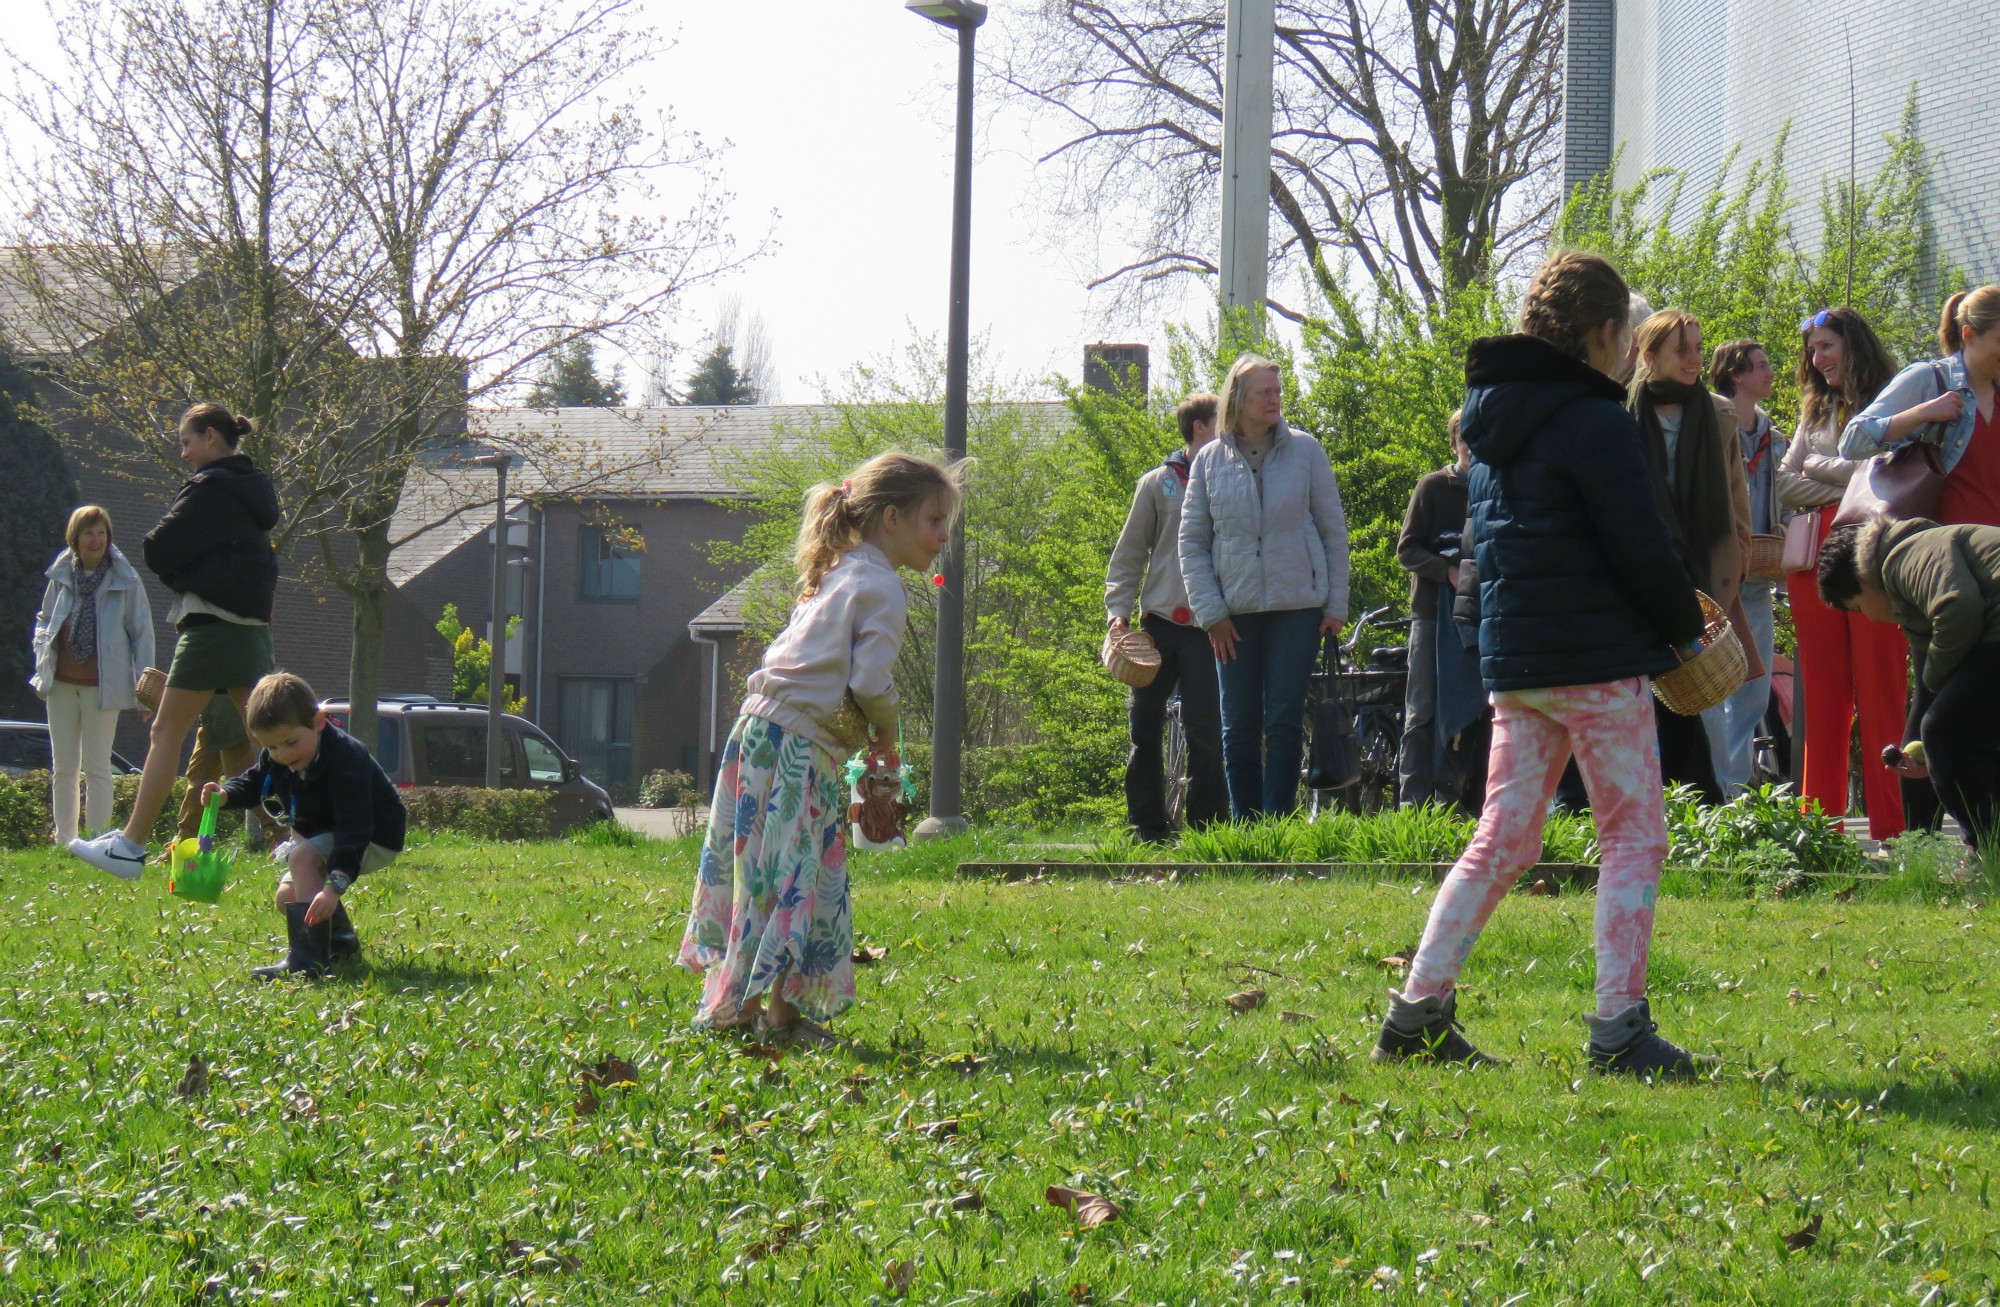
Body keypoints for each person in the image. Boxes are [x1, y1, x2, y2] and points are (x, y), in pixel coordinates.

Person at [1375, 250, 1713, 1078]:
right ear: (1600, 333)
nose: (1631, 351)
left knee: (1501, 839)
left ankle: (1416, 1014)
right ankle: (1619, 1030)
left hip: (1518, 662)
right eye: (1626, 336)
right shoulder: (1597, 421)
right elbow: (1641, 543)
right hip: (1597, 663)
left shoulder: (1489, 421)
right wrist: (1685, 629)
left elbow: (1489, 550)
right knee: (1634, 835)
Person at [679, 451, 962, 1044]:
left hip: (758, 738)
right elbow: (867, 683)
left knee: (773, 873)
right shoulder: (881, 585)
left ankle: (769, 1012)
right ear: (891, 517)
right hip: (795, 752)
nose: (943, 536)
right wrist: (887, 731)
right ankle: (749, 1015)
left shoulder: (838, 571)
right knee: (791, 876)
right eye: (934, 520)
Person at [69, 403, 279, 879]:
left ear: (209, 437)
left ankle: (130, 847)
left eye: (186, 442)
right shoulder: (255, 491)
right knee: (270, 735)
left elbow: (157, 547)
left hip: (209, 629)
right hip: (251, 630)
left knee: (166, 732)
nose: (184, 454)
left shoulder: (210, 489)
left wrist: (189, 577)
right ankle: (307, 834)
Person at [1842, 287, 2000, 830]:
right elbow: (1853, 439)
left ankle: (1951, 839)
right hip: (1941, 570)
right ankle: (1920, 841)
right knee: (1932, 707)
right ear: (1971, 334)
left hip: (1992, 571)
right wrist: (1923, 414)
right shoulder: (1931, 379)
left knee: (1957, 712)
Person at [1178, 355, 1349, 818]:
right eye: (1265, 391)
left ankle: (1277, 824)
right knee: (1237, 725)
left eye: (1277, 390)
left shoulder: (1307, 450)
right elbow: (1191, 543)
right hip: (1232, 616)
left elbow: (1333, 530)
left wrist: (1336, 604)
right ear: (1239, 397)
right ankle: (1246, 829)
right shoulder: (1210, 460)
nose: (1275, 399)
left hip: (1299, 609)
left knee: (1284, 721)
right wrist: (1211, 614)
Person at [1778, 308, 1907, 837]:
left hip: (1874, 553)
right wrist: (1848, 478)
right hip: (1813, 561)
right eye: (1813, 350)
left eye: (1826, 346)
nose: (1818, 359)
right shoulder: (1814, 411)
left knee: (1883, 685)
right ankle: (1818, 825)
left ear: (1853, 345)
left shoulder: (1892, 397)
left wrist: (1824, 470)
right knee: (1825, 693)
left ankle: (1894, 825)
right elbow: (1785, 483)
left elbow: (1887, 470)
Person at [1628, 309, 1757, 805]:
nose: (1694, 359)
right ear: (1649, 355)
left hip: (1708, 575)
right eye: (1682, 350)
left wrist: (1739, 556)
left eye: (1699, 349)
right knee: (1653, 699)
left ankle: (1711, 805)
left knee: (1709, 697)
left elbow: (1735, 498)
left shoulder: (1719, 413)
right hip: (1648, 571)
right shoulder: (1622, 412)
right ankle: (1675, 803)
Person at [1818, 516, 2000, 852]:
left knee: (1945, 731)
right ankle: (1932, 851)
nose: (1870, 618)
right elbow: (1924, 707)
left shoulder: (1905, 557)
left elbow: (1958, 609)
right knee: (1951, 731)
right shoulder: (1912, 596)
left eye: (1857, 608)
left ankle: (1989, 854)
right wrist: (1915, 842)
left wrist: (1935, 688)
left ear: (1862, 577)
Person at [205, 672, 400, 978]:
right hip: (329, 834)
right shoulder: (279, 756)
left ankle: (309, 962)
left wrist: (334, 885)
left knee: (303, 856)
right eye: (271, 748)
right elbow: (256, 780)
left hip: (374, 834)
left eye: (290, 743)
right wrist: (227, 793)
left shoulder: (346, 759)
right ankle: (340, 944)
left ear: (319, 722)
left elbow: (355, 826)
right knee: (288, 898)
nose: (282, 755)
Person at [1105, 393, 1227, 840]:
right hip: (1157, 626)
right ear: (1199, 426)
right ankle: (1147, 824)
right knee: (1144, 726)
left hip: (1207, 626)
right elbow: (1129, 554)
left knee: (1206, 730)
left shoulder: (1228, 479)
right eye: (1221, 419)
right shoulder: (1157, 483)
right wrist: (1118, 613)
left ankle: (1208, 828)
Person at [29, 506, 154, 846]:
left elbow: (142, 633)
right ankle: (65, 841)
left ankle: (97, 842)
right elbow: (44, 620)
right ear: (75, 538)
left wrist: (147, 693)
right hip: (61, 684)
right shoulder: (61, 575)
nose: (95, 539)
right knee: (64, 767)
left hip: (104, 687)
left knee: (98, 767)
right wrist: (42, 654)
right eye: (88, 533)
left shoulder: (125, 579)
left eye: (101, 532)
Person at [1707, 339, 1790, 795]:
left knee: (1754, 690)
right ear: (1736, 375)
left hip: (1758, 576)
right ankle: (1713, 785)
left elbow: (1786, 500)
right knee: (1711, 687)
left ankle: (1733, 788)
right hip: (1717, 578)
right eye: (1760, 366)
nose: (1770, 372)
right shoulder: (1712, 430)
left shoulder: (1774, 438)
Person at [1396, 414, 1475, 810]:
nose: (1470, 445)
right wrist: (1446, 570)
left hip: (1477, 620)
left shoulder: (1495, 488)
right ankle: (1412, 808)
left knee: (1471, 711)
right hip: (1430, 615)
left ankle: (1460, 803)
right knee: (1422, 709)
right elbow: (1406, 550)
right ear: (1454, 442)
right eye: (1464, 437)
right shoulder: (1432, 487)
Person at [172, 694, 280, 853]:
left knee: (241, 780)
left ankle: (281, 835)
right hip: (210, 712)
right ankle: (183, 845)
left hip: (228, 711)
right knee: (198, 778)